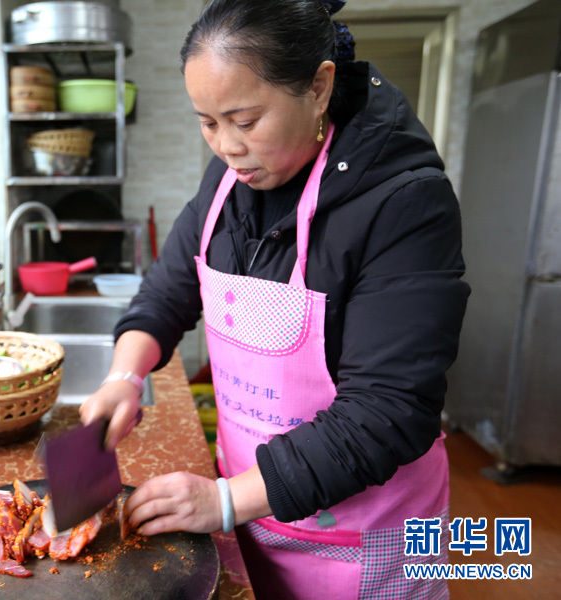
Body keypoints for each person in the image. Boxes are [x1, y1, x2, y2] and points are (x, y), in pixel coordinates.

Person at [79, 0, 470, 597]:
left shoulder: (405, 202)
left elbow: (387, 412)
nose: (227, 147)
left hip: (365, 540)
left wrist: (224, 498)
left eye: (245, 118)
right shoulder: (230, 180)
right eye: (207, 122)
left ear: (318, 87)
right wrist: (124, 377)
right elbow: (168, 290)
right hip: (252, 511)